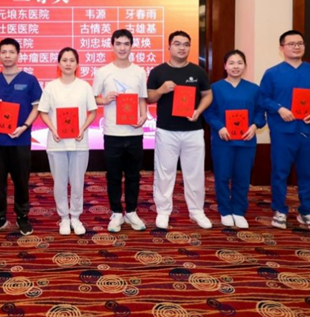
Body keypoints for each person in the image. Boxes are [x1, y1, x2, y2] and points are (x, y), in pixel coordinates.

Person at [260, 30, 310, 232]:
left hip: (309, 131)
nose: (296, 47)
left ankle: (306, 211)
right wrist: (279, 109)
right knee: (280, 172)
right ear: (281, 48)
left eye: (300, 43)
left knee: (309, 173)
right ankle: (279, 210)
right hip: (282, 132)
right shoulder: (272, 73)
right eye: (291, 44)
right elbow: (262, 98)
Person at [147, 31, 213, 230]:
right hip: (166, 131)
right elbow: (149, 98)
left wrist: (198, 111)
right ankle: (163, 211)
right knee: (164, 173)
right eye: (177, 44)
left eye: (186, 44)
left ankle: (197, 211)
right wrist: (161, 90)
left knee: (195, 173)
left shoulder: (198, 71)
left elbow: (207, 95)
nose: (182, 48)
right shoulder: (158, 72)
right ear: (169, 47)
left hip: (193, 130)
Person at [0, 38, 42, 236]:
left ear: (18, 54)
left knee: (21, 180)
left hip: (20, 138)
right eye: (3, 52)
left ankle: (22, 216)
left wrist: (25, 127)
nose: (7, 55)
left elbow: (37, 107)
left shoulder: (29, 80)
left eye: (11, 52)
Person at [92, 29, 149, 233]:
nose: (122, 48)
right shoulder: (103, 72)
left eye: (126, 44)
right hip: (112, 133)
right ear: (112, 46)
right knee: (113, 176)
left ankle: (131, 211)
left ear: (131, 46)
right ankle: (116, 212)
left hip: (134, 133)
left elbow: (142, 98)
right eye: (118, 44)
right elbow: (93, 98)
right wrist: (105, 99)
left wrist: (144, 115)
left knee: (134, 175)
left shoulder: (139, 72)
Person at [38, 47, 98, 236]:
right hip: (57, 143)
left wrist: (82, 128)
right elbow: (43, 112)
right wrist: (53, 129)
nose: (68, 64)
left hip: (79, 142)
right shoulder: (51, 87)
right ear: (58, 63)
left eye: (72, 60)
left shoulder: (84, 86)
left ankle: (76, 217)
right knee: (60, 182)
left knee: (78, 181)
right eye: (64, 60)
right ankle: (64, 217)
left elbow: (93, 112)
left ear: (77, 64)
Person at [203, 50, 266, 229]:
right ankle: (225, 210)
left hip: (246, 140)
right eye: (231, 63)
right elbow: (209, 112)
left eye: (239, 63)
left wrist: (255, 126)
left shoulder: (254, 89)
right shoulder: (215, 88)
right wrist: (220, 127)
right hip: (223, 140)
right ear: (225, 66)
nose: (235, 66)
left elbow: (260, 111)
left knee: (242, 177)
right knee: (222, 176)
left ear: (245, 66)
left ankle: (238, 211)